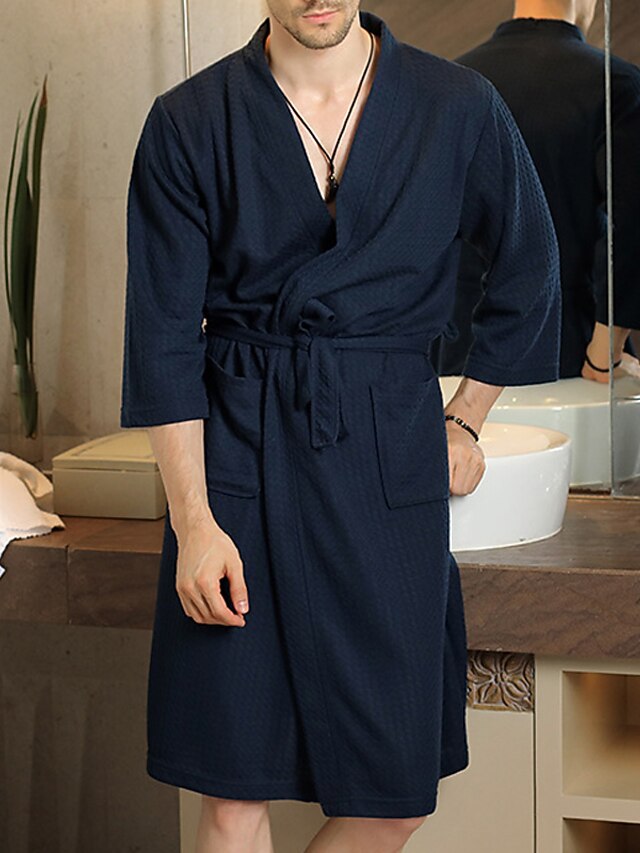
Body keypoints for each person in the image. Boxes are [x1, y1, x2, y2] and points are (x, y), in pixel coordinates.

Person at [120, 3, 561, 850]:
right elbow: (162, 340)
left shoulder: (456, 105)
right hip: (238, 457)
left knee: (395, 795)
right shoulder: (189, 120)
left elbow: (530, 267)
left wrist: (467, 417)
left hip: (386, 459)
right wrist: (194, 521)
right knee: (232, 791)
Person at [431, 0, 640, 383]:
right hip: (571, 353)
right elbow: (632, 224)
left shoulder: (450, 84)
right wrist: (605, 354)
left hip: (460, 354)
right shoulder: (616, 84)